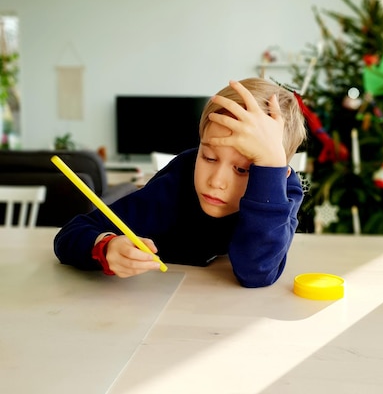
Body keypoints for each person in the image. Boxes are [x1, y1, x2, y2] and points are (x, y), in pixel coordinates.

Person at [53, 78, 307, 288]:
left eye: (242, 169)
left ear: (279, 173)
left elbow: (257, 272)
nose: (216, 181)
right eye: (208, 156)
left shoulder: (283, 188)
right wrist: (105, 247)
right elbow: (70, 235)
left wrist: (268, 173)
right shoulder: (179, 179)